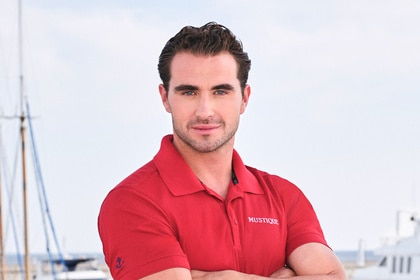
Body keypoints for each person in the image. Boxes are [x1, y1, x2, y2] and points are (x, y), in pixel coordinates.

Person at [98, 22, 347, 280]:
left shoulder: (284, 197)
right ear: (165, 98)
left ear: (244, 98)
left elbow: (334, 277)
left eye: (220, 91)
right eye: (189, 92)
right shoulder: (132, 202)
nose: (205, 111)